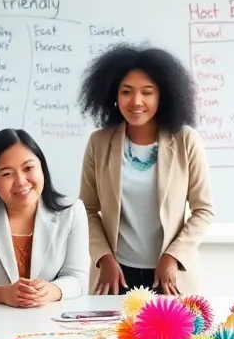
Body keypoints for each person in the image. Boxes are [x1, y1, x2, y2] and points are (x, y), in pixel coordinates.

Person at [78, 44, 214, 295]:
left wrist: (173, 256)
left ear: (162, 96)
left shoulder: (186, 140)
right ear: (114, 96)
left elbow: (203, 211)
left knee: (173, 336)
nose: (136, 101)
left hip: (171, 277)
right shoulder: (98, 142)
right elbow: (86, 209)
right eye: (126, 92)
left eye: (147, 92)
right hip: (115, 276)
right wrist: (104, 256)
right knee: (108, 336)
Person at [0, 128, 88, 306]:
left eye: (28, 168)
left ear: (42, 169)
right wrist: (3, 294)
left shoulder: (72, 211)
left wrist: (50, 291)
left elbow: (78, 279)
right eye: (7, 174)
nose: (21, 181)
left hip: (52, 321)